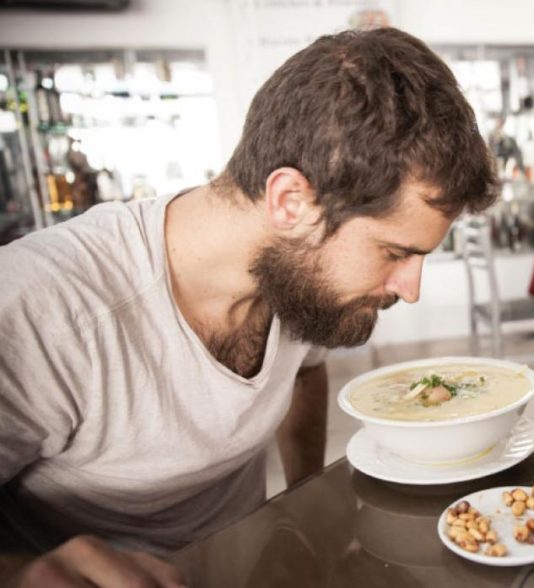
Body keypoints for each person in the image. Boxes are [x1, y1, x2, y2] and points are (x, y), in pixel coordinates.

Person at [0, 27, 497, 585]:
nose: (411, 288)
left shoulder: (296, 279)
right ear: (290, 201)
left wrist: (308, 514)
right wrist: (21, 573)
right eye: (395, 252)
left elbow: (306, 376)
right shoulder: (38, 307)